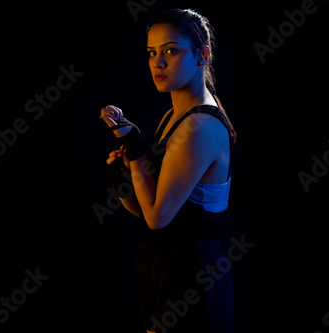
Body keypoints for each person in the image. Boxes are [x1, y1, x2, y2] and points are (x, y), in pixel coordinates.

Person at [99, 8, 237, 333]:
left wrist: (134, 146)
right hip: (161, 270)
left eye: (171, 51)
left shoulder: (200, 126)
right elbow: (146, 211)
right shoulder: (171, 119)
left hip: (193, 278)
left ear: (202, 54)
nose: (157, 63)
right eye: (152, 53)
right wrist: (120, 178)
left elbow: (158, 218)